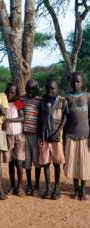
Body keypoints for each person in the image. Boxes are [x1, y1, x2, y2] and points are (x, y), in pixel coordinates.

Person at [38, 79, 68, 200]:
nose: (51, 90)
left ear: (58, 89)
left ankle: (56, 188)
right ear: (45, 89)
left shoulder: (62, 101)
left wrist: (56, 132)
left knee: (56, 164)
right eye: (49, 88)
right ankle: (48, 188)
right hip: (45, 137)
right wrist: (40, 135)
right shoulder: (42, 102)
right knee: (45, 163)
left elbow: (65, 118)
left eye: (53, 88)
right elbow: (40, 119)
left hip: (56, 138)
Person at [64, 72, 90, 200]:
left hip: (85, 135)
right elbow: (64, 119)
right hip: (71, 135)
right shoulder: (67, 98)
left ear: (82, 83)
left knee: (84, 164)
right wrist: (63, 137)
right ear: (70, 83)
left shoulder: (87, 97)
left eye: (78, 81)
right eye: (73, 81)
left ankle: (83, 189)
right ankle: (76, 189)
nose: (75, 84)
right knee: (73, 163)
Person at [3, 83, 25, 196]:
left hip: (18, 136)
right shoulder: (4, 103)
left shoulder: (18, 102)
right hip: (8, 136)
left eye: (12, 92)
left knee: (19, 162)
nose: (9, 94)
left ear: (16, 93)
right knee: (11, 162)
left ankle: (20, 186)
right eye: (8, 91)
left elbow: (22, 117)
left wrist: (9, 120)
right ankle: (12, 185)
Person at [21, 80, 42, 196]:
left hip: (36, 136)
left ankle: (37, 185)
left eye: (33, 89)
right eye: (28, 88)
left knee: (37, 162)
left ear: (37, 89)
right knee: (27, 162)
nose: (30, 91)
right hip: (24, 135)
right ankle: (29, 184)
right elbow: (16, 110)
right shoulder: (21, 100)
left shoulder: (39, 100)